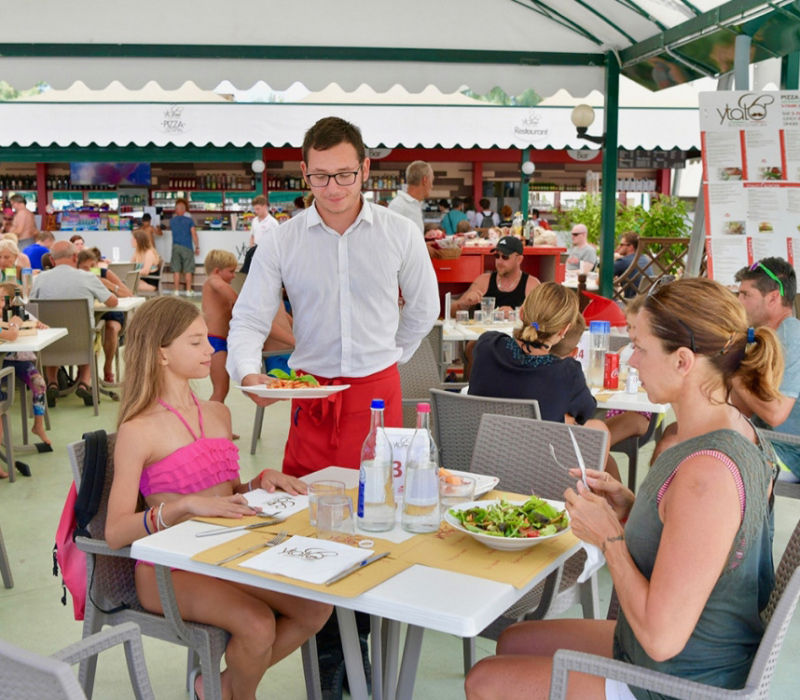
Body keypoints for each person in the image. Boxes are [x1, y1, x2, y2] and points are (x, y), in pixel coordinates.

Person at [465, 276, 782, 700]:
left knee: (483, 680)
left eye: (641, 348)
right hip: (687, 653)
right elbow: (697, 539)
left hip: (677, 681)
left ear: (683, 361)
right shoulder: (731, 429)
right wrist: (631, 507)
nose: (630, 360)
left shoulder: (707, 474)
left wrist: (609, 538)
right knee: (514, 641)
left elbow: (660, 637)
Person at [227, 116, 438, 696]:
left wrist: (384, 356)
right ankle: (328, 665)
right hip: (312, 397)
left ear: (366, 169)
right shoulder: (282, 239)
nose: (335, 188)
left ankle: (364, 649)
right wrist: (247, 371)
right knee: (310, 527)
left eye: (345, 173)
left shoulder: (398, 232)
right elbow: (247, 318)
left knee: (379, 527)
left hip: (377, 395)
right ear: (305, 174)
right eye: (320, 177)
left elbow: (424, 309)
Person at [105, 296, 331, 700]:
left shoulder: (217, 414)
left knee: (317, 608)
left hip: (230, 551)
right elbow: (115, 531)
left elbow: (226, 494)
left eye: (207, 340)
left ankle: (217, 688)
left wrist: (257, 483)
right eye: (195, 343)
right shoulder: (137, 430)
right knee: (257, 623)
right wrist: (182, 507)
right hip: (169, 570)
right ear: (161, 354)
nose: (210, 350)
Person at [468, 283, 612, 463]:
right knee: (598, 429)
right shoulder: (567, 372)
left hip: (476, 458)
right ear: (564, 330)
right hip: (533, 471)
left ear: (521, 313)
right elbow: (585, 411)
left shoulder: (487, 344)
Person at [732, 258, 800, 480]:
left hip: (789, 453)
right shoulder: (760, 336)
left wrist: (731, 371)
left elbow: (775, 414)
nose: (739, 302)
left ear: (773, 298)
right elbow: (741, 408)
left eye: (746, 295)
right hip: (763, 439)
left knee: (677, 445)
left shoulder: (791, 337)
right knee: (676, 437)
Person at [31, 240, 119, 406]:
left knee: (53, 330)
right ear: (75, 257)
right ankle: (85, 384)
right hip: (81, 342)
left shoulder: (39, 279)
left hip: (50, 342)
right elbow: (112, 302)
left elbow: (31, 305)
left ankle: (52, 383)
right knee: (93, 335)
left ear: (52, 260)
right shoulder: (88, 277)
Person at [0, 283, 51, 464]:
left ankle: (38, 426)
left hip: (21, 362)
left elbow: (37, 325)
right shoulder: (7, 321)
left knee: (39, 384)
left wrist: (39, 325)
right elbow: (11, 334)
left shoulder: (21, 315)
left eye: (3, 299)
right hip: (3, 364)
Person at [451, 236, 539, 318]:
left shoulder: (531, 285)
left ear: (519, 259)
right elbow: (452, 313)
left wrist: (516, 315)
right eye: (497, 256)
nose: (499, 261)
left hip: (515, 334)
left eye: (505, 257)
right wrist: (465, 303)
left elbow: (541, 322)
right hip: (483, 333)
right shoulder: (483, 281)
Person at [387, 160, 432, 234]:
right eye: (432, 181)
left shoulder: (415, 204)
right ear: (425, 180)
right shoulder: (398, 205)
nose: (432, 186)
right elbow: (388, 238)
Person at [168, 198, 199, 297]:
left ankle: (176, 290)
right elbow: (194, 234)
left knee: (176, 270)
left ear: (176, 210)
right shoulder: (189, 221)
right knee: (188, 270)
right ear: (184, 210)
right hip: (187, 247)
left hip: (175, 247)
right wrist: (197, 247)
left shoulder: (172, 221)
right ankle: (188, 291)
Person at [613, 232, 647, 298]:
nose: (619, 247)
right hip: (645, 302)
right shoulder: (645, 259)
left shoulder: (624, 261)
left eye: (621, 245)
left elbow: (601, 280)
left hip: (631, 304)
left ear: (630, 247)